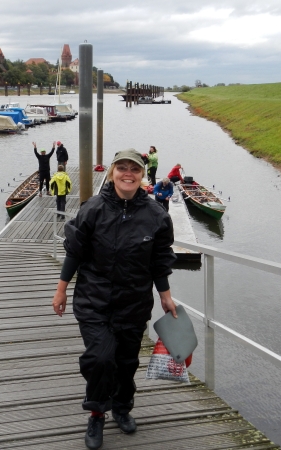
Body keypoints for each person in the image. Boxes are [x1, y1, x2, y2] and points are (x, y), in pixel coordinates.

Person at [52, 148, 177, 450]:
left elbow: (160, 260)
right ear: (112, 173)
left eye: (134, 169)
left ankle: (122, 406)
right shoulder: (92, 209)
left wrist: (166, 295)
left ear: (142, 175)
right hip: (93, 300)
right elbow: (75, 251)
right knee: (101, 357)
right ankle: (96, 412)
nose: (128, 174)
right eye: (122, 168)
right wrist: (61, 288)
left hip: (134, 302)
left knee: (125, 361)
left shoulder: (156, 215)